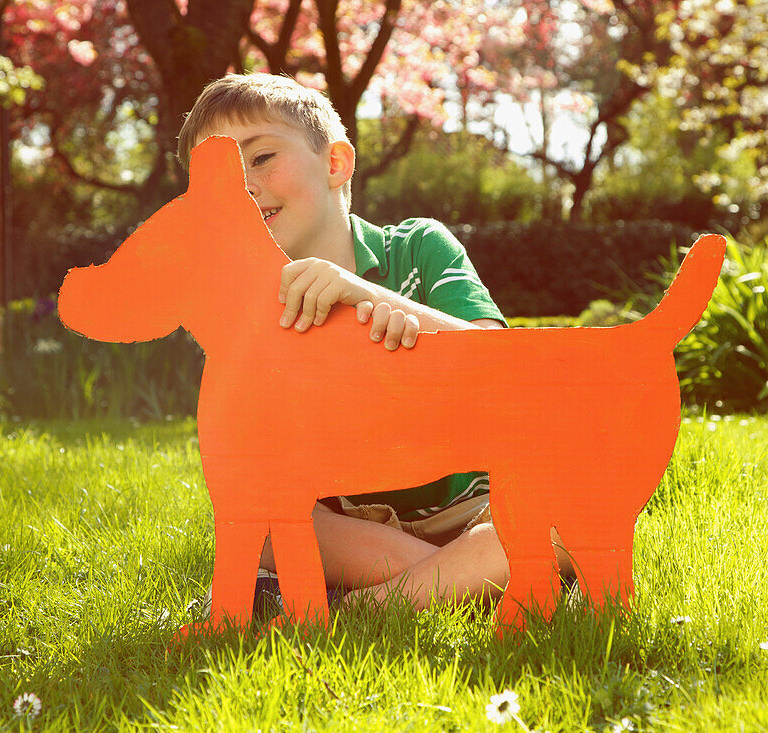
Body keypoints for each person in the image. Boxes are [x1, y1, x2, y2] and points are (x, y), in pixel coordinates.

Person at [176, 72, 573, 616]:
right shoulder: (246, 316)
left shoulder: (420, 247)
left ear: (336, 163)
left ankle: (368, 607)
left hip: (479, 504)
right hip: (358, 532)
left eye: (261, 157)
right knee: (264, 520)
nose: (244, 184)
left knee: (568, 505)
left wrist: (363, 295)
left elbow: (501, 366)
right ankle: (469, 580)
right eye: (219, 176)